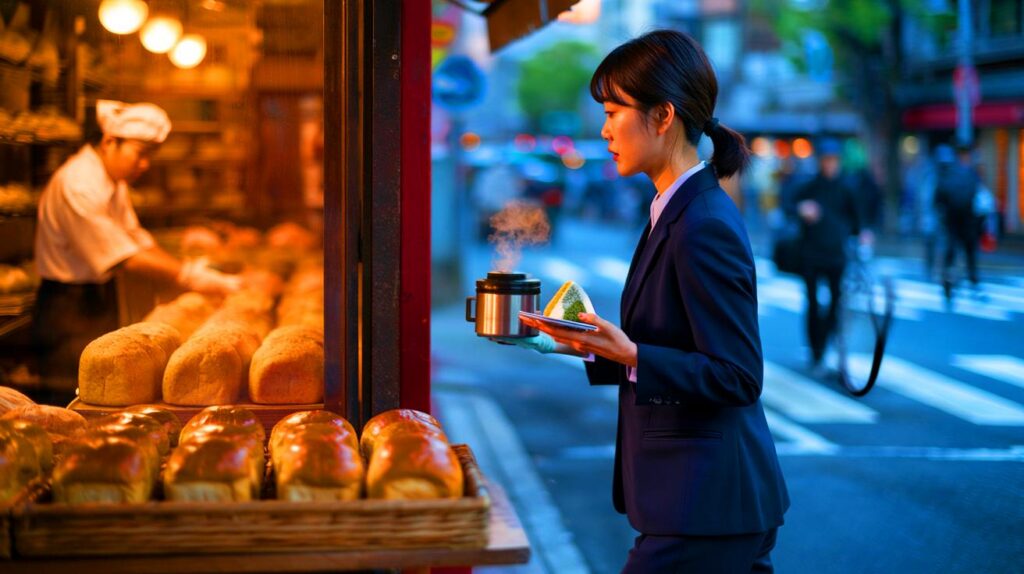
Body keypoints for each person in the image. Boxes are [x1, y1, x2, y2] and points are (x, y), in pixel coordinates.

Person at [502, 30, 789, 573]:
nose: (605, 129)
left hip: (706, 506)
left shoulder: (702, 222)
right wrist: (581, 345)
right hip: (701, 503)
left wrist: (631, 354)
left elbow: (738, 375)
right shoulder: (673, 208)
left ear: (662, 116)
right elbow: (673, 346)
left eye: (614, 112)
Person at [33, 100, 241, 403]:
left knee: (108, 395)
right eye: (140, 154)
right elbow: (123, 256)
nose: (145, 165)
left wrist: (189, 271)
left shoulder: (111, 182)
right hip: (68, 309)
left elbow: (137, 239)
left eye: (149, 156)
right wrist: (190, 277)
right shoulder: (78, 184)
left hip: (98, 300)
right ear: (109, 142)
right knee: (76, 401)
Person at [791, 138, 869, 374]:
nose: (830, 164)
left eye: (834, 160)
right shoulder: (810, 186)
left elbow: (858, 219)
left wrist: (863, 234)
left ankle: (826, 343)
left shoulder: (847, 187)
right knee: (813, 302)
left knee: (836, 301)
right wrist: (802, 209)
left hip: (836, 253)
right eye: (826, 160)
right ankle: (816, 351)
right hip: (811, 252)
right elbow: (790, 204)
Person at [934, 143, 981, 302]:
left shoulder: (946, 175)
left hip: (951, 221)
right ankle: (973, 280)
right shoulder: (971, 175)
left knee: (951, 251)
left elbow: (937, 199)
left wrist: (941, 215)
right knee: (969, 251)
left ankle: (948, 280)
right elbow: (977, 197)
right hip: (968, 221)